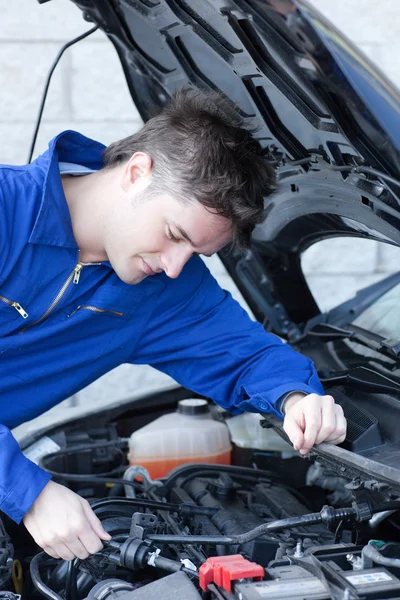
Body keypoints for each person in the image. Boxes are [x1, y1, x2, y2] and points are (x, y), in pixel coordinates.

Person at [0, 88, 346, 561]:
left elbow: (247, 355)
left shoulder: (162, 292)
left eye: (197, 253)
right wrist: (29, 492)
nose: (176, 265)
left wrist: (296, 397)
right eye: (174, 235)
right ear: (137, 172)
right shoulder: (5, 210)